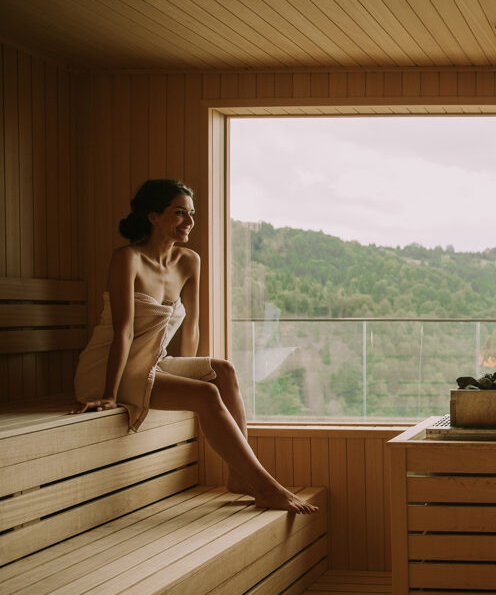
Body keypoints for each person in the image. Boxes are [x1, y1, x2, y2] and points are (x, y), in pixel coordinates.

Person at [73, 179, 317, 515]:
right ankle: (265, 487)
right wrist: (109, 395)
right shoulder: (127, 259)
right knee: (207, 395)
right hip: (109, 368)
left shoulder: (189, 261)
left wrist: (186, 382)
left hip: (153, 362)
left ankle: (238, 476)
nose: (189, 222)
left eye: (191, 214)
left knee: (222, 370)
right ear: (153, 216)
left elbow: (191, 327)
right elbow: (123, 331)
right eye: (179, 213)